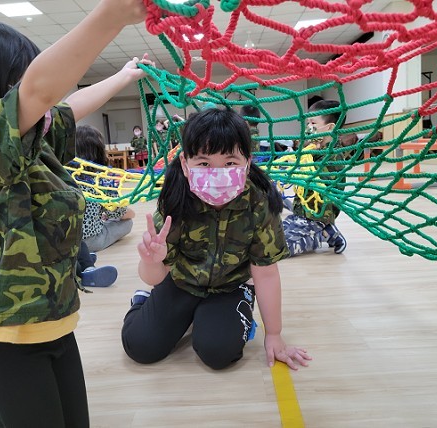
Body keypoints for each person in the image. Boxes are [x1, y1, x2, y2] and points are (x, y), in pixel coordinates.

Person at [0, 1, 150, 426]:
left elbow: (69, 108)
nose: (25, 88)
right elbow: (40, 91)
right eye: (16, 79)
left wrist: (124, 75)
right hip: (11, 336)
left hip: (56, 321)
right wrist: (113, 14)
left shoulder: (30, 144)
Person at [121, 108, 312, 371]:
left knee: (218, 352)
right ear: (186, 165)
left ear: (247, 163)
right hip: (182, 282)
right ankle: (142, 301)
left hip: (230, 287)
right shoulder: (176, 200)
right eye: (204, 163)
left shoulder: (258, 202)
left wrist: (274, 334)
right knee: (140, 346)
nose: (217, 173)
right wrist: (152, 261)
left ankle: (220, 313)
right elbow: (155, 276)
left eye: (230, 163)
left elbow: (266, 273)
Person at [282, 99, 348, 257]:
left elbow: (320, 184)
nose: (309, 128)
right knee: (271, 235)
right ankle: (327, 232)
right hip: (301, 214)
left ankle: (324, 231)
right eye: (308, 123)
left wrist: (302, 164)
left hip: (317, 217)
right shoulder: (313, 150)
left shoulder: (334, 157)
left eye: (313, 123)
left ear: (329, 128)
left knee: (278, 249)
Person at [72, 124, 136, 253]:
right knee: (128, 223)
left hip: (65, 241)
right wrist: (132, 213)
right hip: (90, 241)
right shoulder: (101, 180)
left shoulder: (65, 175)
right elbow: (120, 213)